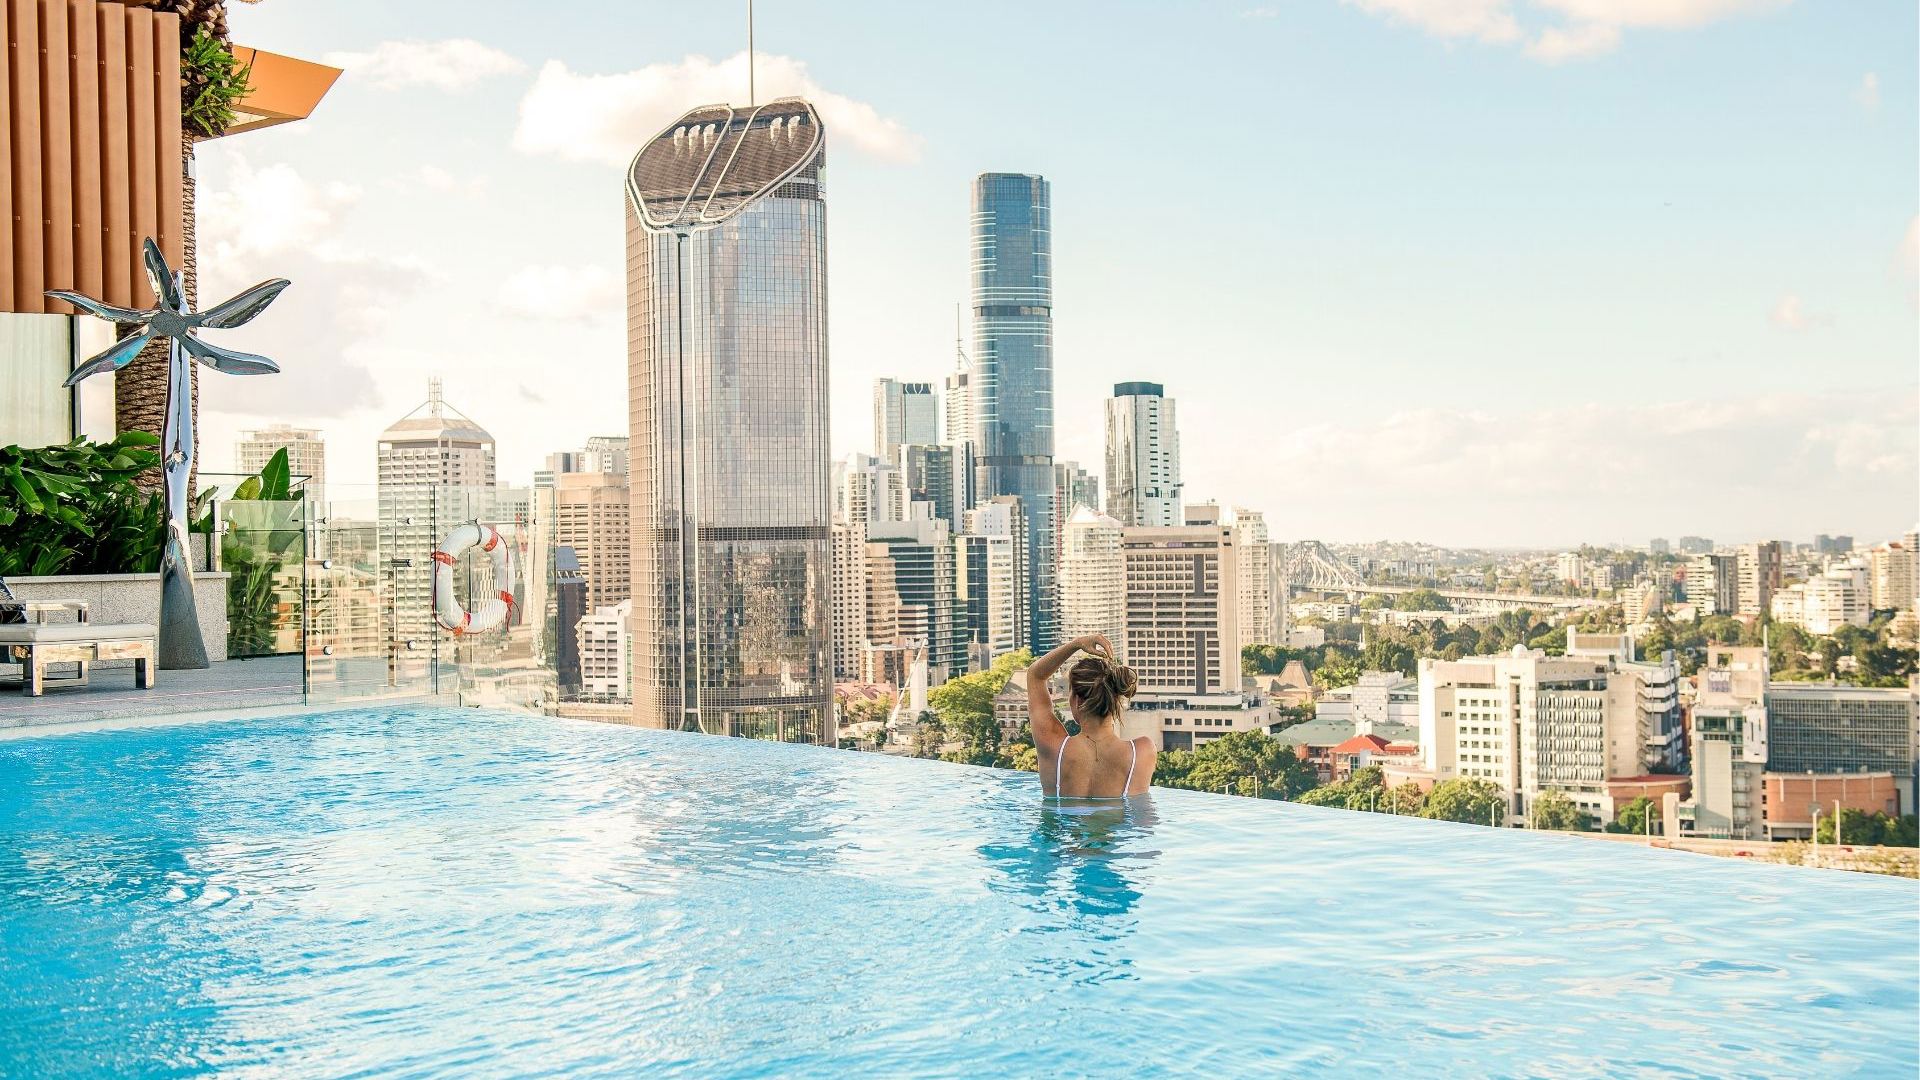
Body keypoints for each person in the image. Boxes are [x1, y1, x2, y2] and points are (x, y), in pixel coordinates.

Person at [1027, 633, 1155, 799]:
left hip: (1063, 825)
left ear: (1077, 701)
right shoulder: (1142, 752)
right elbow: (1142, 820)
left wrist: (1076, 644)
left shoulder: (1052, 746)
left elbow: (1035, 675)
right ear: (1115, 699)